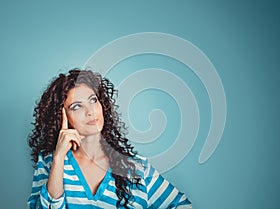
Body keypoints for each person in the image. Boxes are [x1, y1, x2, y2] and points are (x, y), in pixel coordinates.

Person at [27, 68, 192, 209]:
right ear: (61, 117)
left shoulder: (136, 167)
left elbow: (181, 205)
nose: (90, 111)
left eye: (93, 100)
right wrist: (58, 157)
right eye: (76, 106)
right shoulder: (50, 163)